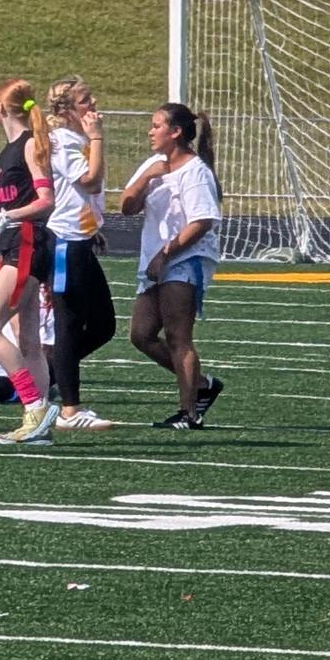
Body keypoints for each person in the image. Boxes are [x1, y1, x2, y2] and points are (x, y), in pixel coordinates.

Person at [123, 102, 224, 430]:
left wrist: (166, 254)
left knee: (178, 335)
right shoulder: (155, 163)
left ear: (175, 132)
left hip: (185, 257)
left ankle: (189, 413)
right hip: (155, 259)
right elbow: (126, 206)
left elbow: (201, 222)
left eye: (156, 126)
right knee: (141, 335)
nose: (151, 132)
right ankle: (202, 386)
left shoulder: (195, 171)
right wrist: (147, 179)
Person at [0, 80, 58, 445]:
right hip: (16, 244)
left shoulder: (27, 148)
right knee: (28, 340)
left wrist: (8, 219)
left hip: (26, 243)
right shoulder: (9, 150)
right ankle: (37, 424)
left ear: (1, 107)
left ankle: (35, 404)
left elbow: (45, 200)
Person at [44, 75, 117, 431]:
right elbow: (89, 180)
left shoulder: (76, 138)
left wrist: (95, 226)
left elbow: (89, 193)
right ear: (67, 109)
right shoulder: (61, 140)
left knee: (104, 325)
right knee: (69, 324)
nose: (93, 105)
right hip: (64, 241)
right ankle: (69, 409)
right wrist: (97, 137)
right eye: (85, 100)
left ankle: (46, 374)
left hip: (82, 237)